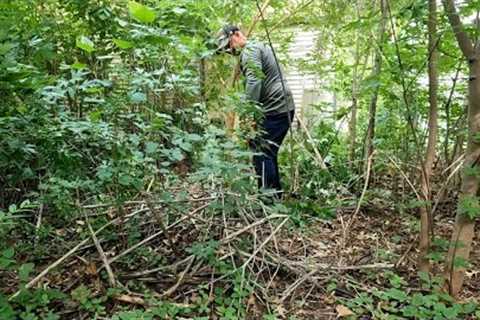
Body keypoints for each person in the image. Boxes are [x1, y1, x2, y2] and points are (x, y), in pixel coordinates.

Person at [216, 25, 295, 198]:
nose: (229, 50)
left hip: (276, 107)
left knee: (261, 152)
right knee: (268, 152)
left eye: (229, 45)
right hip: (281, 106)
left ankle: (268, 198)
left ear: (236, 35)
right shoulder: (258, 46)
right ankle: (275, 195)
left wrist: (248, 113)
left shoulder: (250, 51)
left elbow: (254, 81)